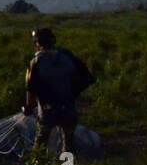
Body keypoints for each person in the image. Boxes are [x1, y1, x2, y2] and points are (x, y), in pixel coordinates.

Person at [21, 27, 95, 156]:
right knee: (69, 144)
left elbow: (31, 89)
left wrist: (28, 107)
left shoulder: (36, 62)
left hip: (47, 110)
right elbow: (86, 76)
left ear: (38, 43)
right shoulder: (66, 56)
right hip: (68, 107)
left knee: (41, 143)